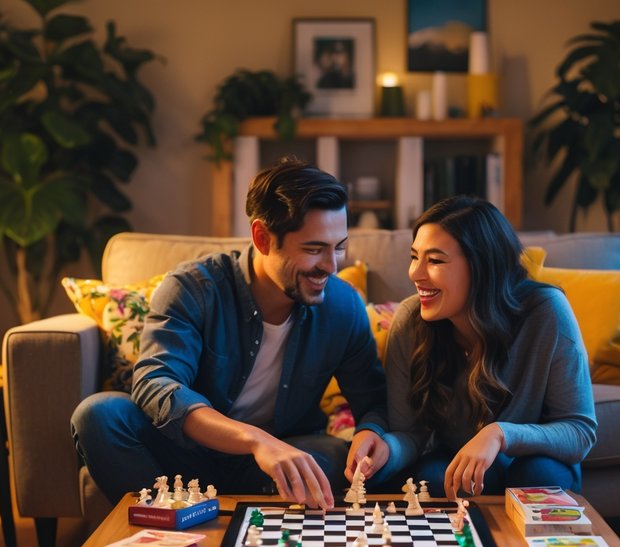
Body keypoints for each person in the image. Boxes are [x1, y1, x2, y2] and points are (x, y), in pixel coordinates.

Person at [71, 157, 391, 509]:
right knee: (99, 416)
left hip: (277, 461)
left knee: (328, 457)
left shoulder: (343, 306)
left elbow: (374, 401)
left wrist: (370, 432)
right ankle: (171, 523)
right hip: (185, 455)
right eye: (314, 249)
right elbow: (156, 384)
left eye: (339, 247)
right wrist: (255, 440)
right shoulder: (193, 288)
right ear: (262, 237)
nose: (331, 267)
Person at [378, 195, 597, 498]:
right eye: (415, 257)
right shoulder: (410, 320)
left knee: (537, 476)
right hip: (455, 457)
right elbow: (410, 434)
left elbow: (580, 431)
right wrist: (383, 449)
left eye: (435, 260)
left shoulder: (547, 311)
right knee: (439, 480)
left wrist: (500, 434)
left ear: (482, 267)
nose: (415, 273)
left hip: (534, 458)